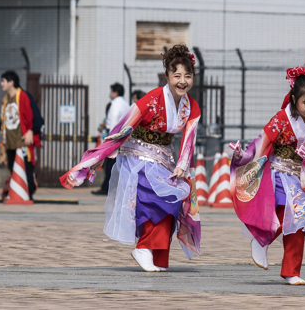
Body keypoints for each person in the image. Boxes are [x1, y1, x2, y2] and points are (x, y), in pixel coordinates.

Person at [61, 44, 202, 272]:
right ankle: (143, 248)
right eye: (177, 75)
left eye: (188, 76)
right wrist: (100, 155)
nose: (182, 81)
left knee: (172, 200)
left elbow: (189, 139)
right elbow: (124, 126)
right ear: (167, 76)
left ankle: (158, 256)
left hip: (164, 158)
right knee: (154, 200)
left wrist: (182, 166)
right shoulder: (152, 99)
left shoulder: (191, 106)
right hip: (138, 154)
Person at [230, 66, 305, 285]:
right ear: (294, 99)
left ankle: (291, 270)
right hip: (279, 173)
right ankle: (263, 239)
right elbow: (261, 143)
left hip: (302, 175)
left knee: (299, 219)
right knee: (297, 212)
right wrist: (242, 155)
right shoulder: (281, 118)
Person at [0, 71, 39, 199]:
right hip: (10, 142)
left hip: (22, 142)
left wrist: (31, 131)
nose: (1, 84)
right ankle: (16, 193)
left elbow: (35, 116)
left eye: (3, 81)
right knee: (13, 169)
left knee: (27, 169)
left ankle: (29, 194)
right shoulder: (5, 99)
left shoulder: (24, 96)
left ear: (11, 82)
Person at [93, 83, 131, 196]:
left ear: (115, 92)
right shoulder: (126, 104)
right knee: (119, 165)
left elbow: (113, 123)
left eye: (111, 91)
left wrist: (110, 141)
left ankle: (106, 188)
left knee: (109, 165)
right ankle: (113, 188)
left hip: (114, 140)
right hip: (124, 139)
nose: (110, 94)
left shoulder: (115, 105)